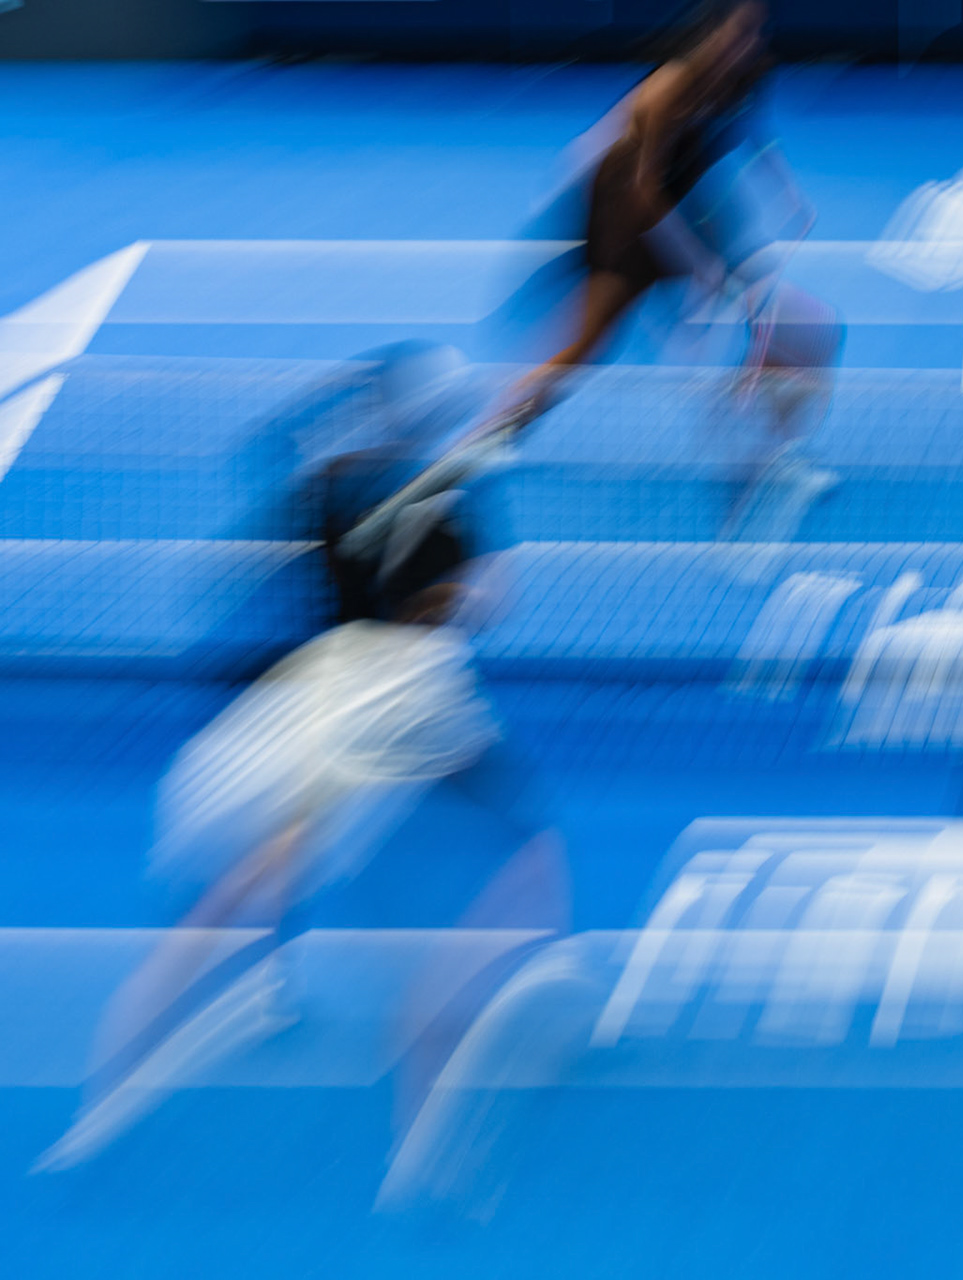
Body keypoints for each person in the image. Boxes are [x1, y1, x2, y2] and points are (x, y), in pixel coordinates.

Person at [37, 346, 570, 1191]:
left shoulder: (327, 486)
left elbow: (270, 537)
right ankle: (424, 1136)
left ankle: (90, 1114)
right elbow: (483, 605)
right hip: (410, 703)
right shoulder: (451, 497)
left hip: (306, 698)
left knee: (234, 898)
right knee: (523, 866)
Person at [514, 0, 844, 501]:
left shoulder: (748, 72)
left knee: (802, 327)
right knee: (585, 344)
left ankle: (772, 452)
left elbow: (750, 131)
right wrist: (695, 266)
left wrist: (787, 192)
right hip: (625, 221)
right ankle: (496, 435)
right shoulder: (666, 90)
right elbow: (644, 194)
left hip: (695, 208)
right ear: (709, 33)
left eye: (755, 32)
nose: (751, 42)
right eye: (740, 32)